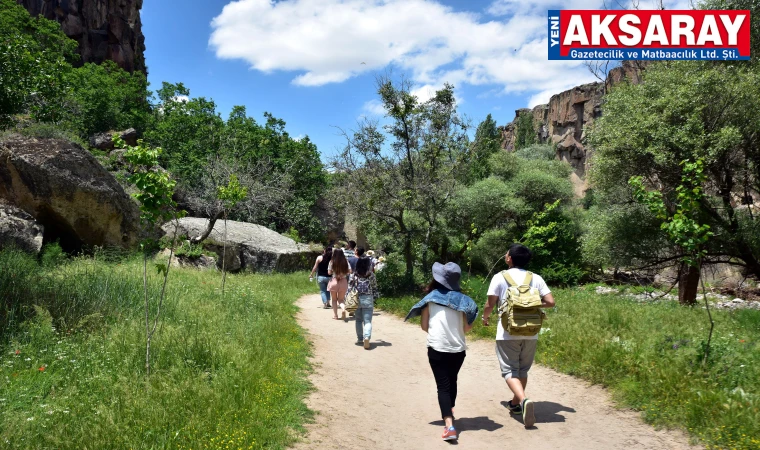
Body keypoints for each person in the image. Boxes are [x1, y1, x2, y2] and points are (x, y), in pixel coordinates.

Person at [481, 243, 555, 428]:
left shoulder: (500, 277)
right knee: (522, 370)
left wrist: (485, 317)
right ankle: (514, 404)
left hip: (507, 332)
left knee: (509, 370)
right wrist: (532, 306)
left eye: (507, 254)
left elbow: (490, 303)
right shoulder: (535, 278)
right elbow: (550, 302)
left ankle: (522, 400)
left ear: (509, 259)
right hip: (531, 332)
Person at [405, 262, 478, 442]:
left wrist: (438, 332)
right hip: (458, 350)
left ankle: (449, 426)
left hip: (437, 348)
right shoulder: (464, 301)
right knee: (452, 381)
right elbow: (467, 328)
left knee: (442, 386)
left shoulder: (430, 299)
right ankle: (449, 409)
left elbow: (424, 326)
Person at [350, 256, 379, 349]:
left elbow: (350, 287)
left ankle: (359, 339)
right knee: (367, 321)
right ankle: (367, 337)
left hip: (356, 298)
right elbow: (374, 287)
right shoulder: (371, 275)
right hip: (368, 299)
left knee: (358, 320)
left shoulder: (353, 275)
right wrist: (375, 298)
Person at [328, 248, 352, 320]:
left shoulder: (331, 262)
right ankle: (343, 309)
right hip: (343, 281)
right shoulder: (346, 261)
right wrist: (343, 274)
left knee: (334, 300)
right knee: (341, 300)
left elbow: (329, 272)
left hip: (334, 281)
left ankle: (335, 315)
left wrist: (335, 273)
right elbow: (350, 271)